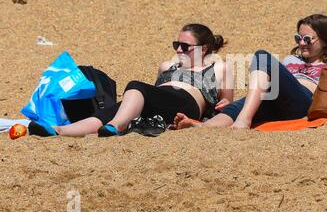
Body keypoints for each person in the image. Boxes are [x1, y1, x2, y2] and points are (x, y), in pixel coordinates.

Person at [29, 24, 234, 137]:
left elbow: (227, 106)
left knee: (136, 87)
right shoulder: (166, 66)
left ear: (203, 49)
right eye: (176, 44)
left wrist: (223, 104)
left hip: (185, 105)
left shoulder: (218, 67)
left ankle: (116, 127)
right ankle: (59, 131)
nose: (178, 50)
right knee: (116, 108)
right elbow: (156, 94)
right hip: (160, 102)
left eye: (185, 46)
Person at [173, 14, 327, 129]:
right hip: (277, 101)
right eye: (298, 38)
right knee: (251, 100)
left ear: (325, 40)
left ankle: (244, 120)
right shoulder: (292, 60)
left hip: (306, 102)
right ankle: (204, 127)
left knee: (262, 56)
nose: (301, 43)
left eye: (307, 39)